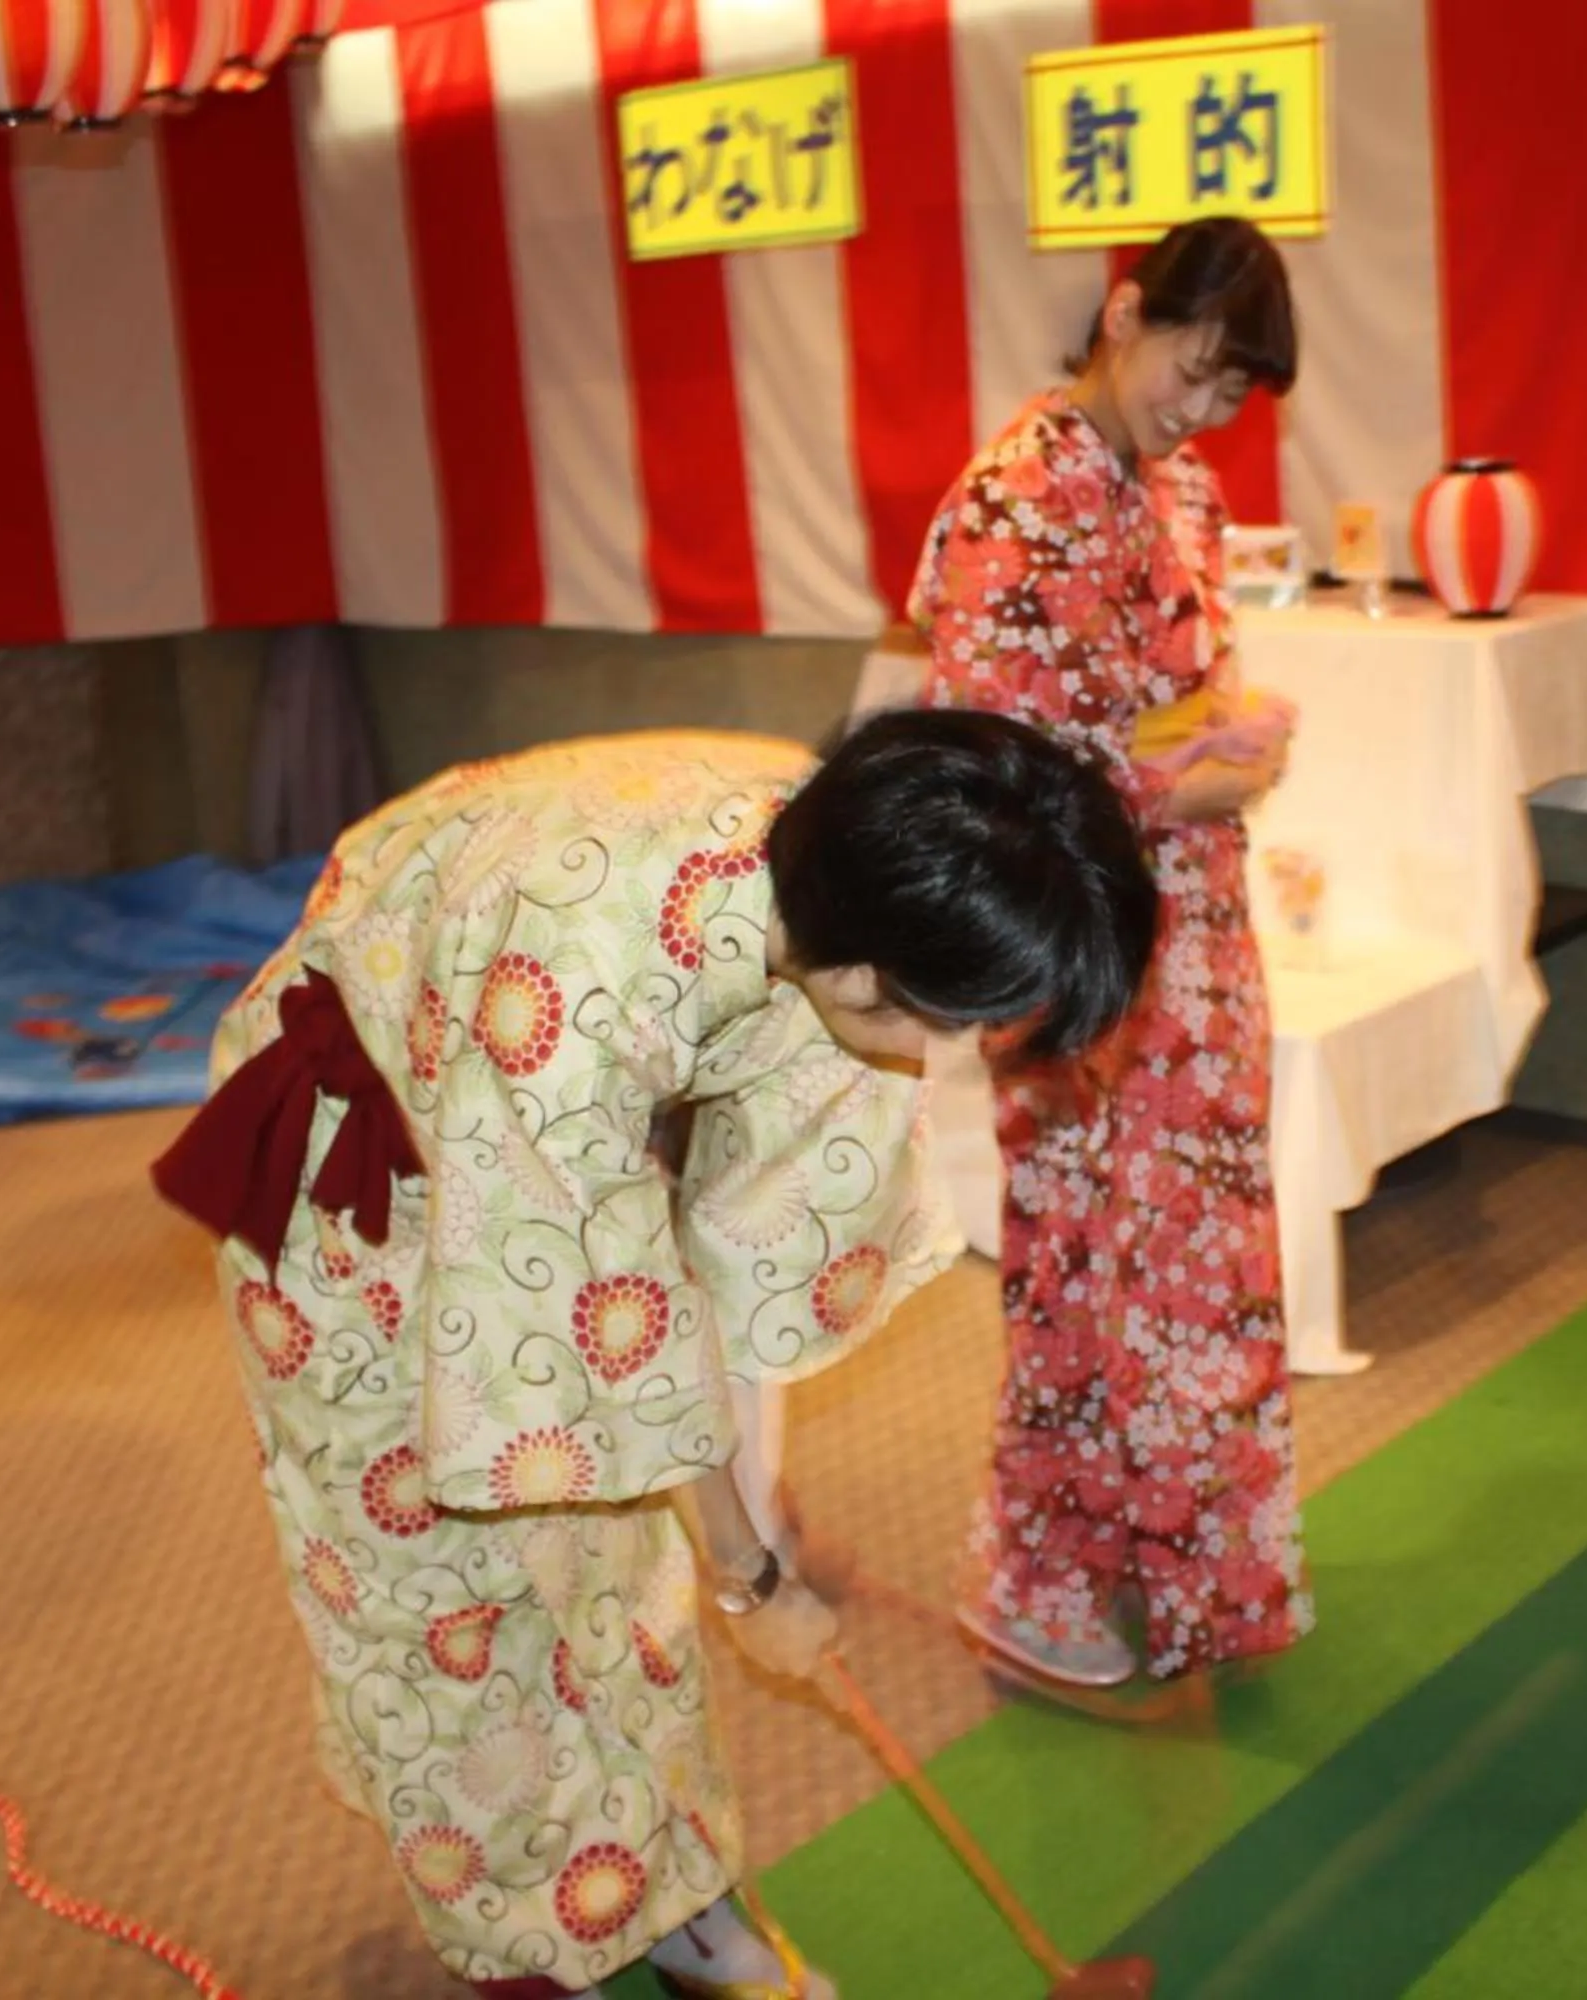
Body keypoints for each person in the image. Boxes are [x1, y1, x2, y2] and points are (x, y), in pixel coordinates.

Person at [150, 713, 1157, 2000]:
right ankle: (527, 1953)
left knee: (623, 1562)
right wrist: (746, 1567)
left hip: (544, 1115)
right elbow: (605, 1339)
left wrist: (742, 1515)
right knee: (446, 1587)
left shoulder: (857, 875)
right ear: (862, 977)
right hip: (374, 1147)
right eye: (975, 1029)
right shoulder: (578, 987)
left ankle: (664, 1901)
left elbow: (746, 1257)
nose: (976, 1059)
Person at [911, 215, 1310, 1691]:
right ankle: (1038, 1574)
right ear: (1123, 310)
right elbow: (996, 765)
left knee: (1197, 1260)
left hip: (1193, 925)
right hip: (1078, 934)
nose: (1201, 414)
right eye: (1193, 373)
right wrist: (1172, 782)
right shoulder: (1021, 492)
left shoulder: (1177, 485)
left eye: (1230, 396)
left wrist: (1233, 731)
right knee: (1087, 1259)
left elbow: (1175, 683)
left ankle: (1185, 1559)